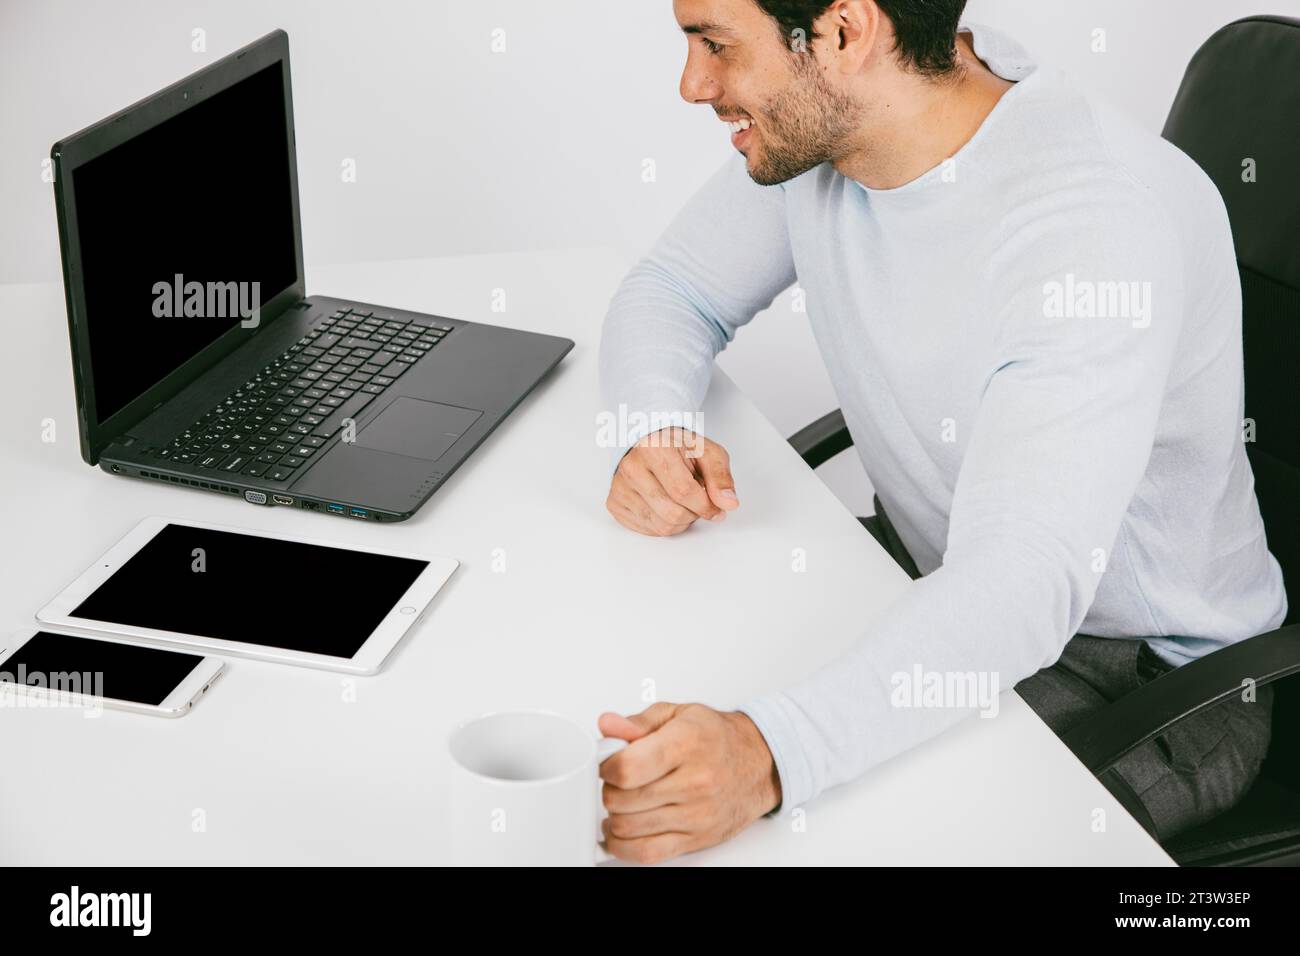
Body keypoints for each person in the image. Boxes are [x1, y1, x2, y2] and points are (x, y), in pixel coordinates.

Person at [593, 0, 1287, 864]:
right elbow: (674, 289)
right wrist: (653, 423)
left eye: (716, 45)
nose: (694, 84)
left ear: (846, 32)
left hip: (1143, 677)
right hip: (936, 577)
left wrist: (768, 754)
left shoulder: (1092, 229)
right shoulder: (839, 127)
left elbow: (1022, 583)